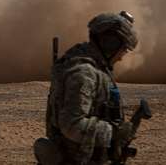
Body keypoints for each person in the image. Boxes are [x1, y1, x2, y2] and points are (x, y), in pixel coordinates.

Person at [34, 11, 139, 165]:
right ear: (111, 44)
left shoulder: (87, 62)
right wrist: (113, 133)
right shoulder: (84, 73)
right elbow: (72, 124)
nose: (122, 57)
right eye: (122, 49)